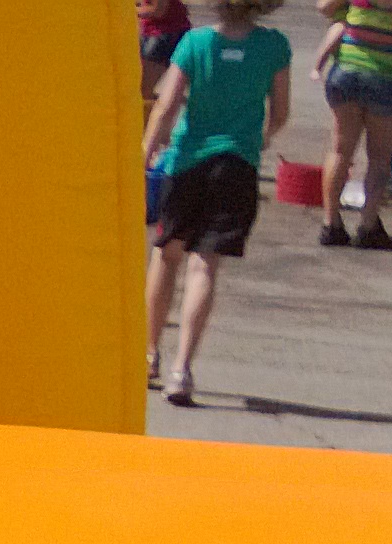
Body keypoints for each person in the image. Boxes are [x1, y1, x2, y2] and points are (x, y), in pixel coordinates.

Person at [146, 0, 293, 407]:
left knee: (166, 255)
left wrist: (146, 150)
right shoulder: (274, 46)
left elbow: (167, 105)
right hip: (237, 165)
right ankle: (182, 369)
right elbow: (281, 112)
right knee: (204, 266)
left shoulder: (194, 43)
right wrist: (260, 138)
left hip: (186, 163)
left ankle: (149, 354)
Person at [316, 0, 392, 246]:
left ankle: (331, 223)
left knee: (340, 151)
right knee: (379, 157)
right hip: (389, 77)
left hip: (347, 70)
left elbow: (324, 7)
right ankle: (368, 226)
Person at [141, 0, 196, 100]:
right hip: (158, 32)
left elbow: (158, 11)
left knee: (143, 93)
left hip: (164, 35)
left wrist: (129, 10)